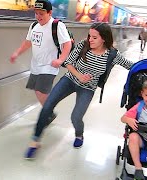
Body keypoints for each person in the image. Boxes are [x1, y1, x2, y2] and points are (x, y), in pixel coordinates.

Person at [25, 22, 134, 159]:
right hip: (69, 80)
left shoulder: (112, 54)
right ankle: (35, 140)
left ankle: (79, 134)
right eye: (89, 36)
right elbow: (68, 62)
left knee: (76, 116)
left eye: (94, 37)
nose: (90, 39)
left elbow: (130, 65)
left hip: (88, 88)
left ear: (104, 38)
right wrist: (79, 76)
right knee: (47, 106)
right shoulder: (84, 45)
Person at [10, 0, 72, 112]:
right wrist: (17, 53)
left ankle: (47, 113)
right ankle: (49, 112)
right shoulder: (34, 26)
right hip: (36, 65)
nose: (38, 16)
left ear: (50, 13)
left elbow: (68, 43)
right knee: (37, 91)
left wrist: (61, 59)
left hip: (50, 66)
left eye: (41, 14)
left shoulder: (57, 25)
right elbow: (28, 42)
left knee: (40, 91)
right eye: (36, 13)